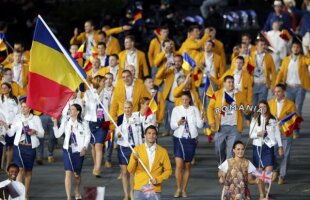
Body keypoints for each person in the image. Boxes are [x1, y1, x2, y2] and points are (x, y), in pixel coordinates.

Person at [1, 100, 44, 199]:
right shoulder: (17, 118)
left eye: (25, 107)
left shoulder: (36, 118)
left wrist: (35, 131)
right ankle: (19, 195)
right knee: (19, 169)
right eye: (22, 107)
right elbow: (11, 133)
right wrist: (5, 125)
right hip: (19, 147)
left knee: (28, 172)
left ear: (29, 108)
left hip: (30, 148)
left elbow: (41, 134)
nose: (22, 109)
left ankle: (25, 193)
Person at [207, 75, 249, 165]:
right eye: (229, 82)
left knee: (231, 152)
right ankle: (221, 165)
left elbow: (247, 107)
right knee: (219, 150)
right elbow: (210, 108)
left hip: (235, 127)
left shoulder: (240, 94)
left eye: (232, 82)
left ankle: (227, 172)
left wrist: (246, 110)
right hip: (221, 127)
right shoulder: (217, 94)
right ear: (224, 83)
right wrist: (211, 121)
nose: (231, 84)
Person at [52, 104, 91, 200]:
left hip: (79, 151)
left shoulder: (84, 123)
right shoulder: (65, 122)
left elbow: (88, 136)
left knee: (77, 175)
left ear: (78, 112)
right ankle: (68, 197)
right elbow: (57, 135)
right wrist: (55, 124)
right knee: (68, 173)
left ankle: (77, 190)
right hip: (67, 150)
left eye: (73, 109)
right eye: (70, 109)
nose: (70, 111)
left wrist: (85, 148)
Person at [170, 91, 203, 197]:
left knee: (187, 166)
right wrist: (178, 123)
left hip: (191, 140)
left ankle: (184, 189)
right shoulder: (176, 109)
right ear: (181, 100)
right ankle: (178, 188)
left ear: (189, 100)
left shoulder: (194, 109)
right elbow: (172, 126)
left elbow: (200, 126)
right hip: (179, 138)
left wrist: (202, 118)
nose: (184, 101)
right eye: (183, 99)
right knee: (179, 165)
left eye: (186, 99)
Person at [249, 100, 283, 199]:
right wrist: (258, 134)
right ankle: (262, 194)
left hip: (269, 148)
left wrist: (280, 146)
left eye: (264, 107)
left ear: (267, 108)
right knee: (260, 173)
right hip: (258, 147)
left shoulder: (273, 119)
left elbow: (277, 134)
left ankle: (267, 192)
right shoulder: (255, 119)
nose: (262, 109)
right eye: (260, 107)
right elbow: (251, 134)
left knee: (268, 172)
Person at [127, 125, 172, 200]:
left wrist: (158, 179)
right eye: (149, 133)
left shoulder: (163, 152)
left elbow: (168, 170)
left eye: (154, 133)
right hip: (139, 188)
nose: (151, 135)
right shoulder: (137, 150)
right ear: (145, 135)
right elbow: (130, 170)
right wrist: (134, 159)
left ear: (156, 136)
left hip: (155, 188)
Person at [276, 41, 310, 138]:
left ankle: (296, 131)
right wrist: (276, 84)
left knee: (298, 109)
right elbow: (281, 72)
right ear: (291, 48)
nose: (295, 48)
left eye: (298, 47)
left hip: (300, 87)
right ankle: (289, 128)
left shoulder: (304, 59)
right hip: (289, 88)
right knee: (289, 109)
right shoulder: (286, 60)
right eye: (294, 47)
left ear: (300, 49)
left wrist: (308, 51)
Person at [268, 84, 298, 184]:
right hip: (273, 133)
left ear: (284, 92)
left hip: (285, 132)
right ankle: (276, 170)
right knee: (273, 154)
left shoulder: (290, 104)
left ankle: (282, 176)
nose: (276, 93)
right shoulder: (270, 103)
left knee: (285, 154)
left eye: (279, 91)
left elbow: (294, 118)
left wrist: (284, 122)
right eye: (275, 92)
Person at [115, 101, 144, 200]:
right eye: (125, 108)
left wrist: (140, 149)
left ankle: (132, 192)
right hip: (123, 147)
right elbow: (116, 134)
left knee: (132, 172)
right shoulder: (120, 118)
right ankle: (126, 194)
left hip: (134, 147)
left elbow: (140, 135)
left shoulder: (137, 119)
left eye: (129, 108)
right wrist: (117, 135)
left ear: (132, 108)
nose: (127, 110)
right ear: (123, 108)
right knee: (124, 172)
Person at [155, 55, 187, 136]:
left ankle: (176, 130)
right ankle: (166, 130)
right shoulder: (170, 71)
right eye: (175, 61)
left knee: (177, 115)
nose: (177, 63)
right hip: (168, 97)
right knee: (166, 115)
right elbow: (158, 76)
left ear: (182, 62)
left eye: (179, 61)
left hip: (180, 99)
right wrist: (165, 67)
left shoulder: (186, 72)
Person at [83, 75, 108, 177]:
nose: (105, 83)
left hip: (103, 122)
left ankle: (97, 169)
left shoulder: (107, 93)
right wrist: (98, 90)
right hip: (91, 122)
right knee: (93, 146)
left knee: (99, 145)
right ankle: (96, 164)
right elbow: (92, 102)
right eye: (103, 81)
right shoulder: (88, 93)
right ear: (98, 82)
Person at [250, 39, 277, 106]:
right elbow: (248, 71)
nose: (263, 46)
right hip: (253, 84)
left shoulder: (269, 57)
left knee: (262, 105)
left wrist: (274, 86)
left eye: (264, 45)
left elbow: (273, 72)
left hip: (264, 85)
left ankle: (261, 117)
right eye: (261, 45)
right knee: (253, 105)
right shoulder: (251, 56)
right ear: (256, 46)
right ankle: (254, 117)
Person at [0, 82, 20, 170]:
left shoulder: (15, 99)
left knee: (10, 146)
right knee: (2, 146)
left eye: (5, 88)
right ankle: (1, 165)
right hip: (2, 125)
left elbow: (18, 112)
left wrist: (15, 123)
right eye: (2, 88)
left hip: (12, 125)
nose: (3, 89)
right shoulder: (0, 99)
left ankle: (7, 165)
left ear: (9, 89)